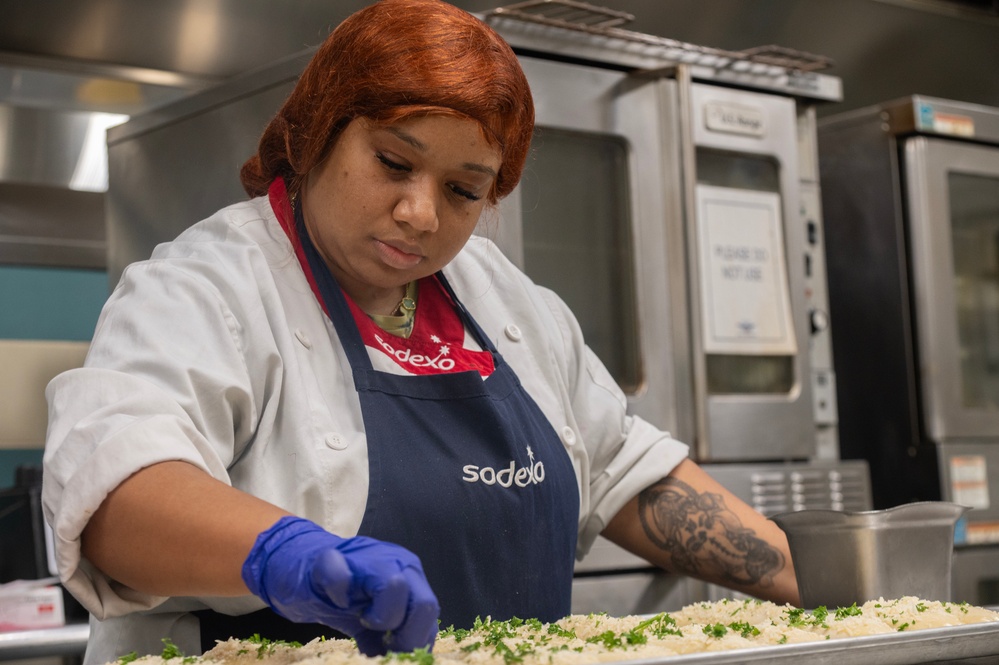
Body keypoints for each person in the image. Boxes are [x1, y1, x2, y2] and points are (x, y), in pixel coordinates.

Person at [42, 1, 800, 664]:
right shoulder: (209, 287)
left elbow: (626, 472)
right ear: (319, 132)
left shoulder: (504, 300)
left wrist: (821, 578)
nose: (421, 213)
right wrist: (287, 555)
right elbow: (115, 492)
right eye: (393, 162)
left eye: (464, 190)